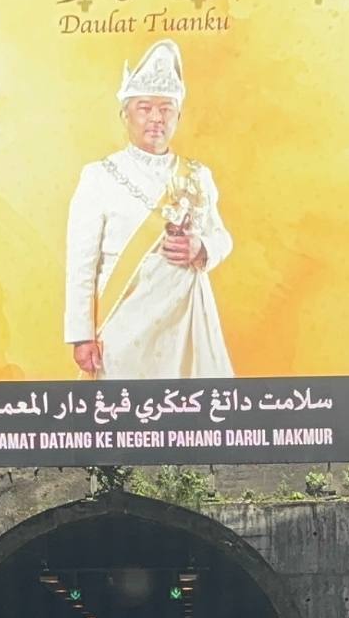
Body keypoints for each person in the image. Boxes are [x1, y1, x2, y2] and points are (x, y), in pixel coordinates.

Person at [63, 38, 234, 380]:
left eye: (166, 109)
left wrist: (202, 248)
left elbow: (222, 237)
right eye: (144, 108)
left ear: (178, 116)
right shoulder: (99, 176)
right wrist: (82, 336)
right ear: (124, 114)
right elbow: (82, 264)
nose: (156, 118)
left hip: (189, 325)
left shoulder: (198, 175)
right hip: (123, 326)